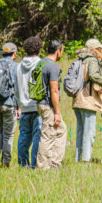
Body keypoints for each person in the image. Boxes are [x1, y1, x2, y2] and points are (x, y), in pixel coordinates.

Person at [71, 39, 102, 163]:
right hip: (87, 99)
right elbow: (93, 75)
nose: (101, 51)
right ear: (94, 50)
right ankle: (86, 161)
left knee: (80, 131)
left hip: (77, 99)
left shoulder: (80, 59)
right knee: (89, 133)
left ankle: (79, 159)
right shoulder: (92, 60)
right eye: (100, 49)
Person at [35, 40, 67, 170]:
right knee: (47, 135)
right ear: (58, 51)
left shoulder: (40, 63)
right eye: (62, 51)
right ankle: (42, 167)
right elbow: (54, 90)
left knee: (61, 130)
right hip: (48, 105)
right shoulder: (53, 67)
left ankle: (54, 162)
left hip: (40, 103)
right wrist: (57, 112)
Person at [14, 36, 43, 168]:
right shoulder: (40, 64)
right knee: (38, 136)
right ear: (39, 49)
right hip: (37, 107)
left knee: (24, 136)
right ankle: (35, 163)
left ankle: (22, 163)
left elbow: (15, 89)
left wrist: (19, 105)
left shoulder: (19, 67)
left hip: (24, 107)